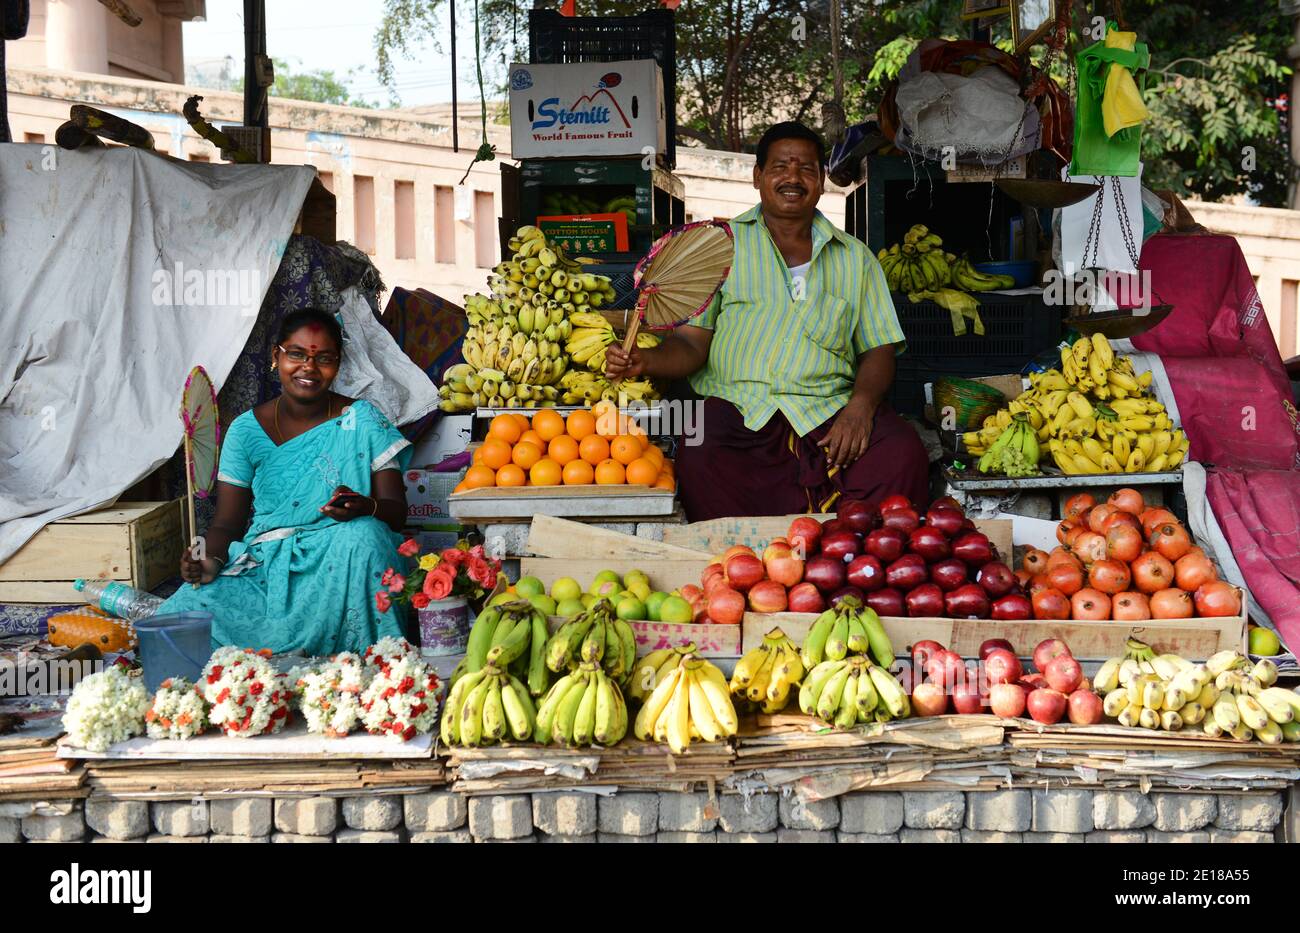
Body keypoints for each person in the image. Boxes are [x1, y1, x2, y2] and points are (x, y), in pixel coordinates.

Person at [605, 121, 929, 520]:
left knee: (901, 451)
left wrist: (860, 407)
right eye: (780, 166)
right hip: (739, 411)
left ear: (822, 180)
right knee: (701, 448)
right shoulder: (717, 247)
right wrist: (646, 360)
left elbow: (879, 349)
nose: (793, 177)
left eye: (806, 168)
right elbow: (691, 345)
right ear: (758, 177)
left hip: (829, 410)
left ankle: (851, 557)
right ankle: (746, 566)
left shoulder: (855, 258)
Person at [155, 308, 413, 655]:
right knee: (181, 612)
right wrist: (208, 560)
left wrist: (366, 507)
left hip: (341, 558)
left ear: (337, 365)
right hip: (268, 566)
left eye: (324, 358)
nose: (309, 367)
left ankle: (371, 661)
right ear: (276, 356)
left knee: (364, 536)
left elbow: (397, 514)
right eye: (297, 354)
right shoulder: (246, 431)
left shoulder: (361, 420)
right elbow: (227, 524)